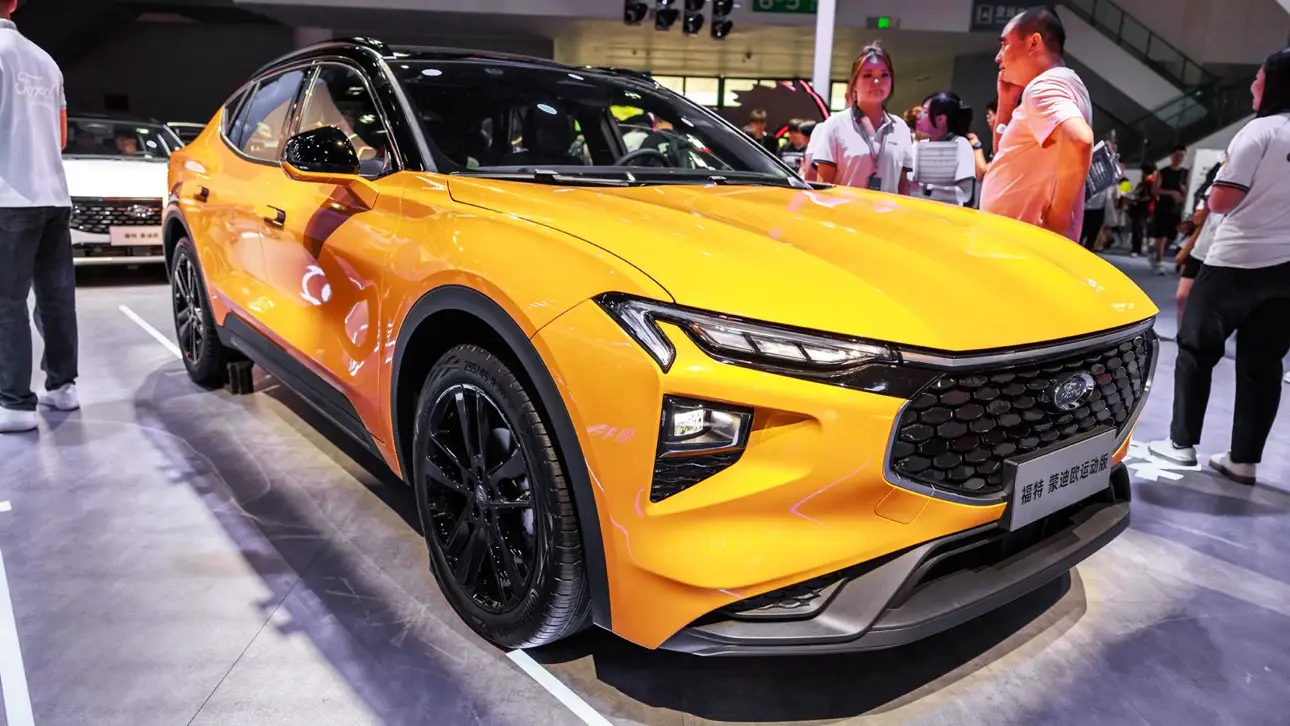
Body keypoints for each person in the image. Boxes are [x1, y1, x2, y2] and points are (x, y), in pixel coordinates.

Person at [1148, 47, 1290, 486]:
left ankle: (1181, 443)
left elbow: (1224, 199)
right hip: (1286, 269)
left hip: (1236, 260)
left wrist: (1210, 197)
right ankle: (1243, 460)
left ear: (1275, 82)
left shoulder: (1259, 131)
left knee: (1196, 349)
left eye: (1258, 78)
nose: (1252, 85)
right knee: (1263, 364)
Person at [0, 0, 80, 434]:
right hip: (53, 194)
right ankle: (62, 387)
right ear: (13, 4)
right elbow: (61, 136)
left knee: (5, 302)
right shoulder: (46, 61)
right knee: (55, 298)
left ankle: (14, 403)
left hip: (7, 197)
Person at [979, 8, 1094, 241]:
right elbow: (1006, 157)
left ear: (1034, 42)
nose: (998, 57)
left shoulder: (1044, 88)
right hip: (1017, 241)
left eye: (1005, 45)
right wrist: (1006, 101)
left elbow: (1079, 140)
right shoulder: (1065, 83)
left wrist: (1060, 215)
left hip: (1021, 244)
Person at [808, 43, 913, 195]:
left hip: (888, 210)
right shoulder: (835, 125)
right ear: (854, 83)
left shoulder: (900, 128)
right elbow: (823, 187)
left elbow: (903, 187)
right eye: (867, 75)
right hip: (846, 210)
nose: (877, 82)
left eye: (884, 75)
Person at [912, 91, 977, 206]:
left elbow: (965, 193)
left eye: (925, 112)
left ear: (941, 119)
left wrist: (925, 189)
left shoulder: (961, 145)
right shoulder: (917, 146)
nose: (918, 116)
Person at [1149, 144, 1190, 273]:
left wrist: (1183, 193)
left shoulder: (1185, 173)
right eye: (1177, 155)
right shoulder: (1163, 172)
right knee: (1161, 235)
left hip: (1177, 209)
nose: (1179, 158)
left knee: (1173, 235)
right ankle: (1159, 261)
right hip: (1162, 207)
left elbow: (1189, 192)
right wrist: (1171, 193)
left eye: (1182, 156)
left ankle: (1156, 253)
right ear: (1171, 156)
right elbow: (1155, 190)